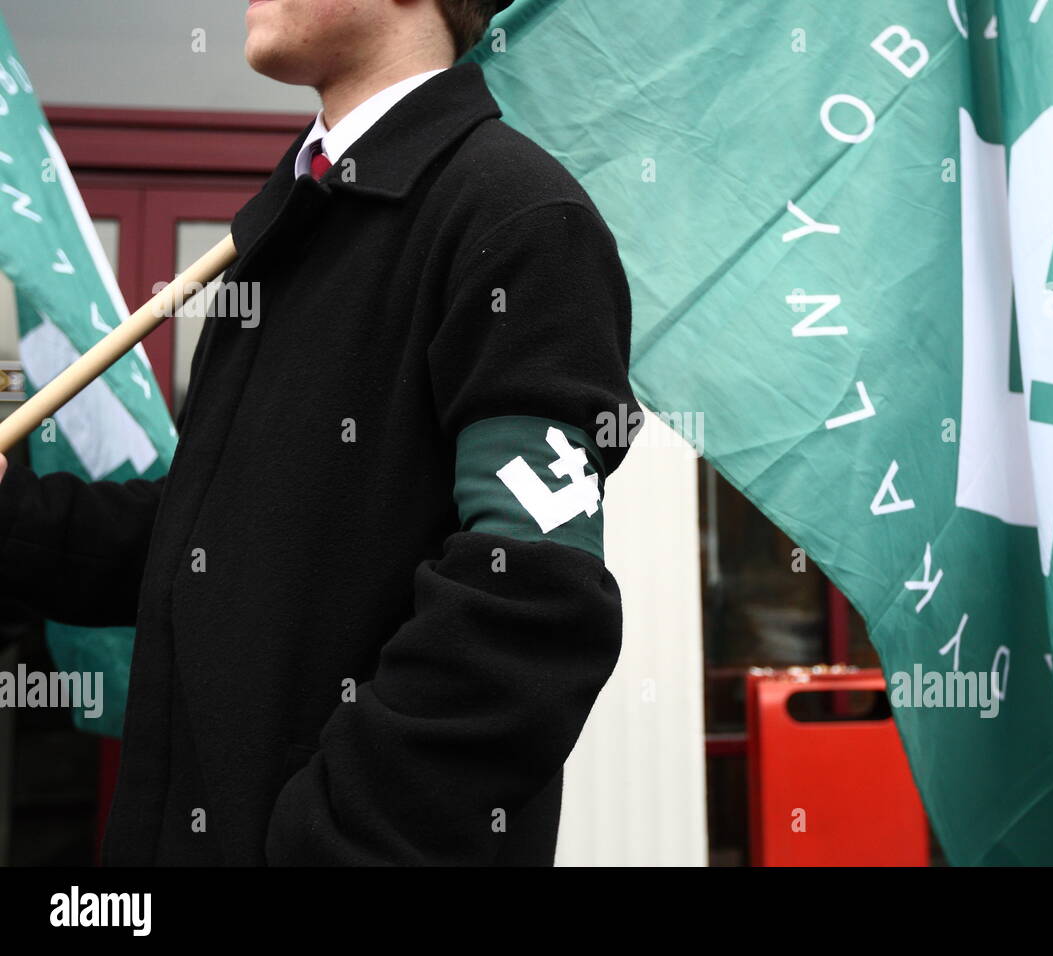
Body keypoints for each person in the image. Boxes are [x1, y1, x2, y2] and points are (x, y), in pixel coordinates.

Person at [0, 0, 638, 865]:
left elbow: (528, 601)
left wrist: (323, 843)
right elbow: (202, 537)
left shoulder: (516, 217)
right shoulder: (281, 230)